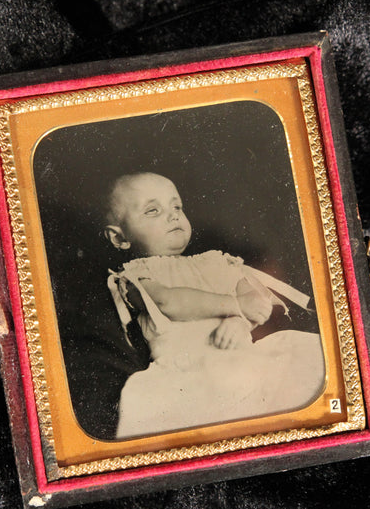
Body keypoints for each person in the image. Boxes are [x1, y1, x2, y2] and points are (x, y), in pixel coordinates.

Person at [105, 172, 325, 438]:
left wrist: (240, 321)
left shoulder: (215, 262)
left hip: (243, 362)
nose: (173, 215)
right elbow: (167, 302)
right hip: (187, 375)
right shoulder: (136, 276)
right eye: (153, 211)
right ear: (119, 238)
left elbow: (256, 301)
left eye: (177, 206)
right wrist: (234, 305)